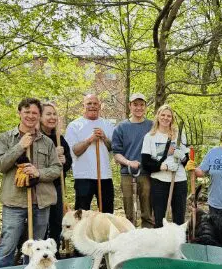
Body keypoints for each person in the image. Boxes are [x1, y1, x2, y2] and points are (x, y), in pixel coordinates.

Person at [0, 98, 61, 268]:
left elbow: (56, 169)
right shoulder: (5, 138)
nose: (31, 116)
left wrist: (39, 172)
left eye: (34, 113)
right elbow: (0, 165)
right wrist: (20, 147)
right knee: (7, 245)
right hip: (14, 201)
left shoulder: (47, 142)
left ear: (39, 116)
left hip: (41, 202)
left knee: (36, 248)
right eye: (27, 112)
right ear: (19, 113)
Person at [64, 94, 115, 213]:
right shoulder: (75, 125)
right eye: (89, 103)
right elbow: (74, 151)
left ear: (100, 106)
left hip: (104, 175)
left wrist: (104, 137)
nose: (92, 106)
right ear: (83, 106)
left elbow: (112, 148)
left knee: (107, 212)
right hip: (83, 175)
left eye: (95, 103)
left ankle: (104, 232)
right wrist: (90, 140)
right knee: (81, 212)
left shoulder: (107, 124)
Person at [141, 104, 189, 227]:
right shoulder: (150, 137)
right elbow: (146, 163)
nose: (165, 118)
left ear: (172, 118)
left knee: (179, 219)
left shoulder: (179, 134)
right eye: (163, 115)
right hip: (159, 181)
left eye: (169, 116)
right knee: (159, 219)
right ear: (158, 116)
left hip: (179, 180)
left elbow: (187, 162)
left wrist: (182, 157)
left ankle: (178, 244)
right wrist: (164, 167)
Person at [112, 93, 155, 227]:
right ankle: (130, 237)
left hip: (146, 173)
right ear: (130, 106)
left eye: (141, 105)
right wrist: (129, 162)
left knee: (147, 211)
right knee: (129, 212)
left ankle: (147, 238)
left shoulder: (152, 126)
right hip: (127, 173)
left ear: (145, 107)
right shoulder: (121, 127)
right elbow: (117, 154)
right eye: (135, 104)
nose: (138, 108)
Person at [40, 102, 72, 249]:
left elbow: (67, 164)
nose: (52, 117)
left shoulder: (60, 138)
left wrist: (64, 161)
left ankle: (54, 252)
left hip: (57, 186)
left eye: (54, 114)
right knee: (41, 223)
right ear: (40, 117)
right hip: (39, 187)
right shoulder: (36, 138)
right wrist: (54, 156)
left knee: (56, 221)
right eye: (48, 114)